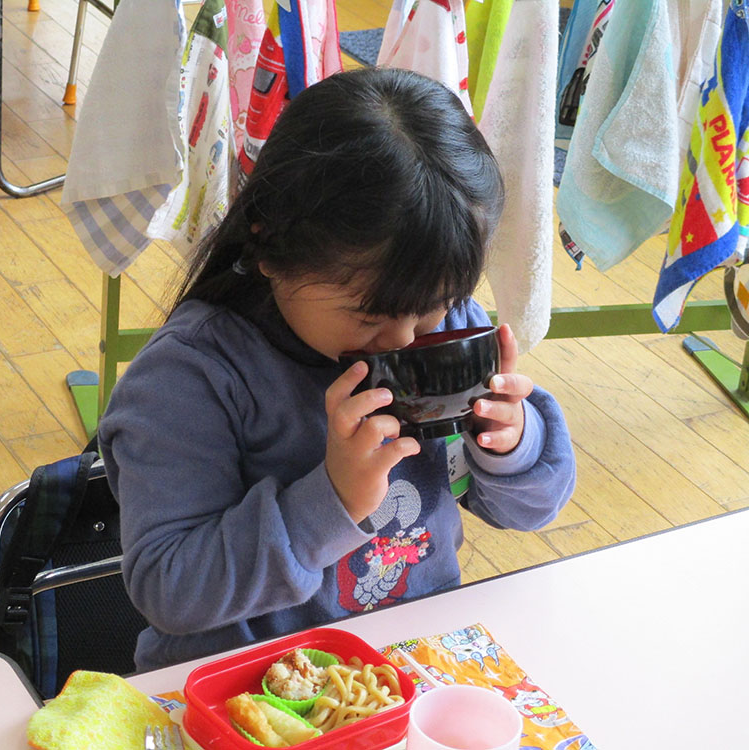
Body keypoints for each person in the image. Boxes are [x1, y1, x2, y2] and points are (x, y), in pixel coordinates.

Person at [98, 67, 576, 672]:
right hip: (249, 690)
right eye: (372, 314)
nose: (403, 338)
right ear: (269, 247)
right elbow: (170, 588)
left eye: (430, 306)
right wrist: (332, 501)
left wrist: (511, 443)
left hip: (411, 664)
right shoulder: (190, 380)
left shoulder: (448, 325)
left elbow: (529, 509)